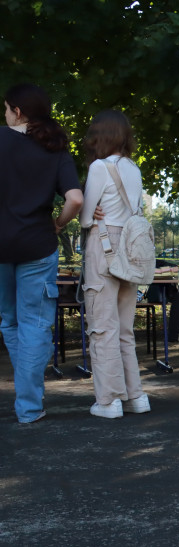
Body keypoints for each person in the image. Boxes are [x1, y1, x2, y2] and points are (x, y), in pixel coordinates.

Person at [0, 84, 83, 424]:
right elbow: (75, 199)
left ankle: (27, 397)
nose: (4, 115)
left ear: (17, 111)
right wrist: (59, 225)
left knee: (10, 322)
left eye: (5, 109)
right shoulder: (55, 148)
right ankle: (29, 407)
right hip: (37, 246)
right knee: (35, 326)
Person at [78, 110, 150, 418]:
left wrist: (89, 213)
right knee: (124, 330)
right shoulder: (133, 168)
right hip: (131, 248)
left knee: (101, 328)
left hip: (103, 245)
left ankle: (108, 401)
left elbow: (85, 216)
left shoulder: (98, 167)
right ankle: (136, 397)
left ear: (100, 136)